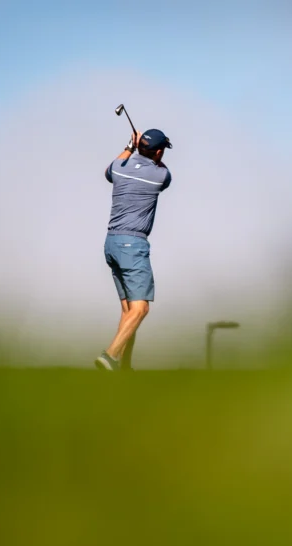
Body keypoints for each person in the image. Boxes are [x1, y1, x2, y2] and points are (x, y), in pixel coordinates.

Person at [95, 127, 173, 371]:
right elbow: (164, 173)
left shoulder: (121, 167)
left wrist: (130, 147)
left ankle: (123, 368)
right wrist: (141, 149)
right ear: (159, 152)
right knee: (141, 308)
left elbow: (109, 171)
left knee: (129, 311)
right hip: (133, 245)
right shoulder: (160, 176)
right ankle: (109, 357)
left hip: (112, 243)